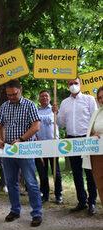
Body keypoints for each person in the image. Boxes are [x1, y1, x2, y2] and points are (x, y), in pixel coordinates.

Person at [0, 79, 42, 227]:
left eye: (14, 94)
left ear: (20, 91)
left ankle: (36, 213)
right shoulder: (4, 106)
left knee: (31, 182)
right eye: (9, 95)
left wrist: (21, 139)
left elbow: (36, 126)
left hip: (25, 149)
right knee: (11, 182)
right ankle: (15, 210)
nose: (12, 97)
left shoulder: (30, 105)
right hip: (8, 150)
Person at [52, 77, 97, 215]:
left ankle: (92, 202)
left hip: (86, 139)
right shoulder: (65, 102)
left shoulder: (89, 100)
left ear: (80, 84)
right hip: (71, 140)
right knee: (76, 173)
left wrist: (93, 136)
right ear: (67, 85)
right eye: (71, 83)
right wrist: (56, 112)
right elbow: (60, 124)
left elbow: (94, 119)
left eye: (76, 83)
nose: (73, 85)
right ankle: (82, 201)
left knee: (89, 172)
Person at [35, 90, 63, 204]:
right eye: (42, 96)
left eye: (46, 96)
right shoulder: (35, 111)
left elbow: (60, 123)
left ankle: (58, 194)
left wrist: (57, 112)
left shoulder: (55, 110)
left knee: (56, 171)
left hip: (53, 144)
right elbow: (33, 126)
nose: (44, 97)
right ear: (39, 99)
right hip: (40, 145)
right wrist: (34, 137)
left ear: (50, 98)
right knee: (43, 172)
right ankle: (45, 194)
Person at [83, 86, 103, 205]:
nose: (101, 100)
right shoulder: (96, 113)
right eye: (99, 98)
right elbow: (89, 132)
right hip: (97, 155)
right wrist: (92, 134)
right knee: (100, 185)